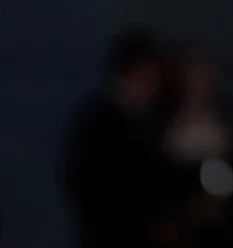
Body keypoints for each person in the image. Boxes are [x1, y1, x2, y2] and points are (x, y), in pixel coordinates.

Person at [63, 26, 172, 248]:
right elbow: (93, 188)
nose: (152, 86)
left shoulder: (157, 120)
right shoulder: (98, 127)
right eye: (145, 77)